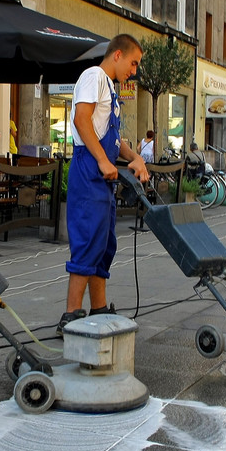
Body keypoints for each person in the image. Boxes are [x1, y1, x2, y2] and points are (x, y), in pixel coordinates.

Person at [57, 34, 150, 334]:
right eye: (133, 63)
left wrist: (134, 157)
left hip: (100, 172)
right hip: (88, 169)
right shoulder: (93, 76)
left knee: (104, 242)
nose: (134, 71)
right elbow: (82, 120)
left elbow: (112, 137)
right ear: (118, 55)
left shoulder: (110, 87)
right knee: (87, 239)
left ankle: (98, 308)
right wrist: (102, 160)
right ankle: (70, 315)